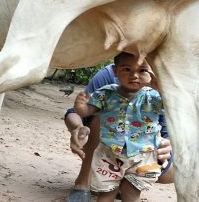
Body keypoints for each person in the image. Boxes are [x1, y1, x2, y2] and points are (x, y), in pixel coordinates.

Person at [64, 63, 174, 202]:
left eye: (142, 70)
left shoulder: (154, 95)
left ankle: (124, 185)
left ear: (151, 73)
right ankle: (84, 182)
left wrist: (163, 90)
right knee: (106, 193)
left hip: (142, 154)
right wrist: (81, 109)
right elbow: (85, 111)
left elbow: (174, 111)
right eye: (127, 69)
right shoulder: (106, 92)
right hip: (111, 153)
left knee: (132, 192)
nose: (134, 75)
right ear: (115, 71)